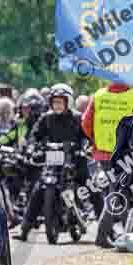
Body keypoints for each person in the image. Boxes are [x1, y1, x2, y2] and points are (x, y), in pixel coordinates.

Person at [16, 84, 92, 242]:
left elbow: (86, 135)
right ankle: (25, 229)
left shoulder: (77, 117)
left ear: (67, 102)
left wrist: (84, 147)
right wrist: (31, 148)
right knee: (39, 188)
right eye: (55, 102)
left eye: (60, 102)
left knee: (88, 184)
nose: (57, 105)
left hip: (73, 156)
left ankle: (105, 228)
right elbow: (34, 136)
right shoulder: (46, 118)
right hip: (54, 156)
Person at [82, 76, 133, 248]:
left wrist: (96, 141)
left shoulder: (98, 96)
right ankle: (107, 235)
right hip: (125, 153)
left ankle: (121, 235)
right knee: (117, 194)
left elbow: (85, 123)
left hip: (104, 154)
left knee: (117, 193)